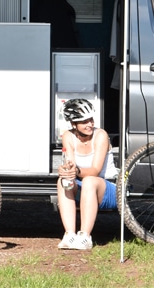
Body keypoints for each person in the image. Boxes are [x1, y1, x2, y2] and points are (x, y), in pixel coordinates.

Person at [56, 98, 116, 250]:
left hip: (107, 188)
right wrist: (67, 170)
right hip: (85, 188)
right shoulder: (68, 136)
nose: (90, 124)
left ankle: (85, 237)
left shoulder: (101, 135)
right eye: (84, 121)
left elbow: (95, 170)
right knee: (63, 181)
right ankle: (70, 234)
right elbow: (71, 163)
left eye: (91, 119)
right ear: (73, 124)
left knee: (90, 180)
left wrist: (76, 171)